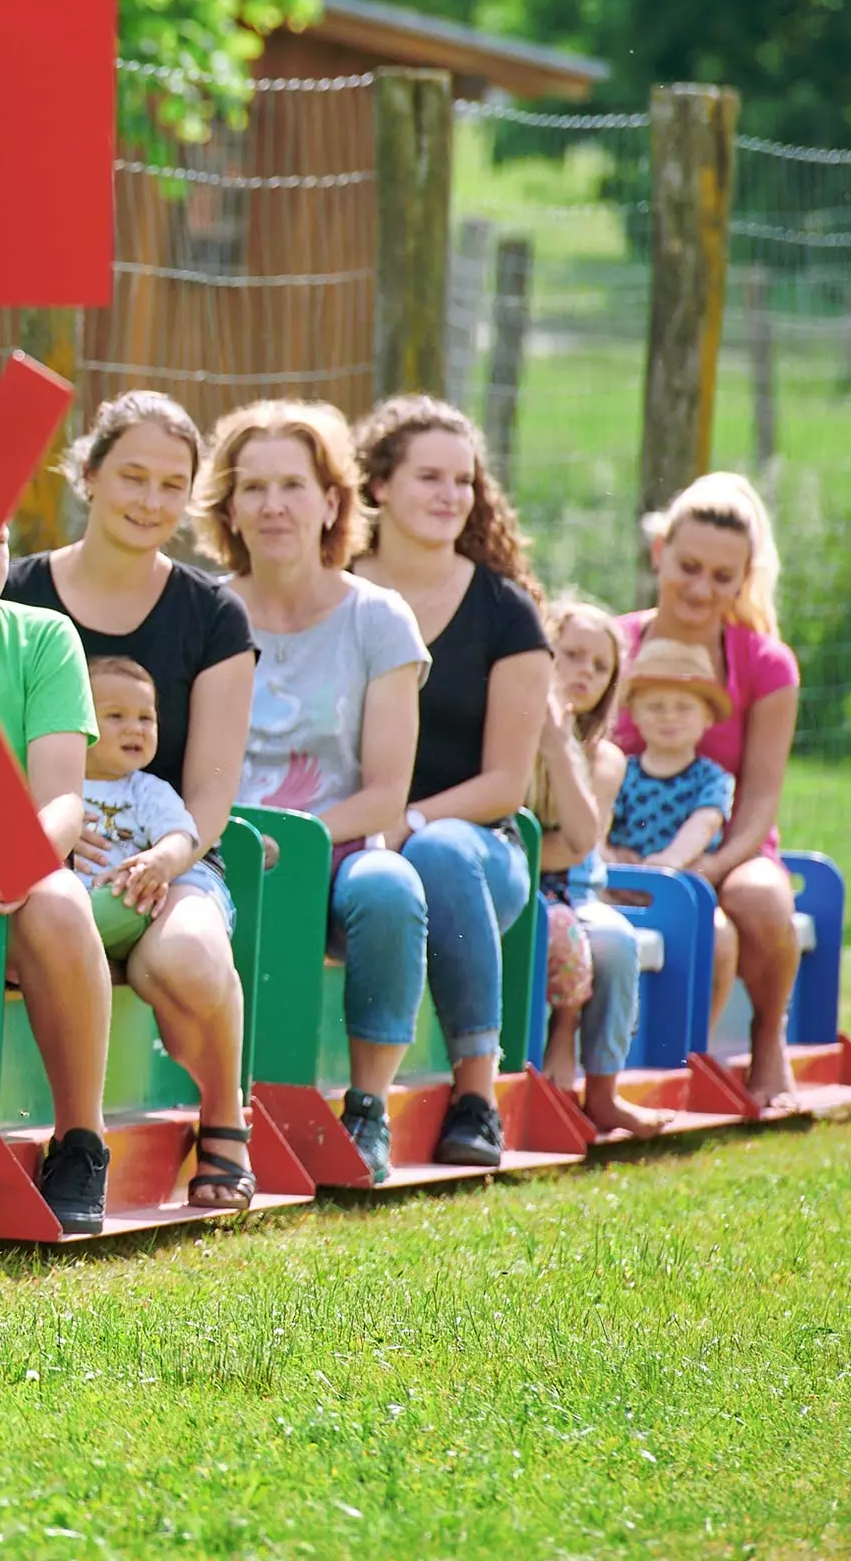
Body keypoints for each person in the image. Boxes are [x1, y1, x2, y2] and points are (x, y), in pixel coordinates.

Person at [6, 390, 258, 1206]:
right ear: (88, 474)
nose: (151, 501)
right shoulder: (19, 595)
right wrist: (50, 829)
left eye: (172, 484)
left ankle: (225, 1119)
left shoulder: (213, 615)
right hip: (51, 857)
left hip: (168, 852)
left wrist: (166, 859)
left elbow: (212, 794)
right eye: (133, 477)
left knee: (185, 962)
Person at [198, 400, 432, 1185]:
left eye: (293, 485)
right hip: (211, 845)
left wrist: (295, 843)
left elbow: (389, 794)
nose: (272, 505)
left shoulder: (379, 618)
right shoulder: (203, 609)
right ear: (227, 506)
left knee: (393, 888)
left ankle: (366, 1108)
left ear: (332, 500)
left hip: (334, 851)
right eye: (253, 486)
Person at [350, 395, 548, 1168]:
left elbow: (506, 783)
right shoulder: (337, 593)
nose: (450, 496)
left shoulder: (508, 613)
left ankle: (476, 1096)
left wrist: (409, 822)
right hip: (349, 840)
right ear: (376, 488)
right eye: (428, 477)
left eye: (463, 481)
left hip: (478, 849)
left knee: (435, 856)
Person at [0, 443, 120, 1234]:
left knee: (58, 904)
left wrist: (23, 855)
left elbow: (63, 801)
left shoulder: (43, 638)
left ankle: (81, 1138)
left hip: (4, 849)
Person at [616, 472, 804, 1112]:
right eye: (688, 566)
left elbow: (759, 800)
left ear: (745, 579)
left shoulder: (766, 664)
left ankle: (767, 1035)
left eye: (723, 578)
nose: (701, 589)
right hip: (620, 847)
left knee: (760, 900)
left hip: (728, 847)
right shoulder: (613, 645)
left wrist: (710, 867)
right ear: (658, 551)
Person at [74, 656, 255, 1205]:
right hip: (77, 914)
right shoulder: (56, 782)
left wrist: (161, 862)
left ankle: (219, 1101)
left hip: (142, 907)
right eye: (116, 716)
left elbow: (183, 836)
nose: (135, 729)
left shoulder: (147, 790)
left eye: (146, 719)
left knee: (177, 976)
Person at [531, 595, 669, 1137]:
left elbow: (571, 849)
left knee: (615, 943)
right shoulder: (513, 734)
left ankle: (604, 1091)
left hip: (577, 890)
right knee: (553, 934)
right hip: (523, 887)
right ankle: (547, 1061)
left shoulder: (604, 759)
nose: (583, 672)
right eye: (570, 656)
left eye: (599, 666)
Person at [605, 638, 737, 870]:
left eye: (684, 707)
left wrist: (672, 859)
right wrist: (608, 854)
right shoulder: (619, 772)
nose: (669, 717)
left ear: (707, 717)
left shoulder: (712, 778)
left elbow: (706, 821)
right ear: (635, 714)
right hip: (624, 878)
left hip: (683, 880)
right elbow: (600, 820)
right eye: (656, 706)